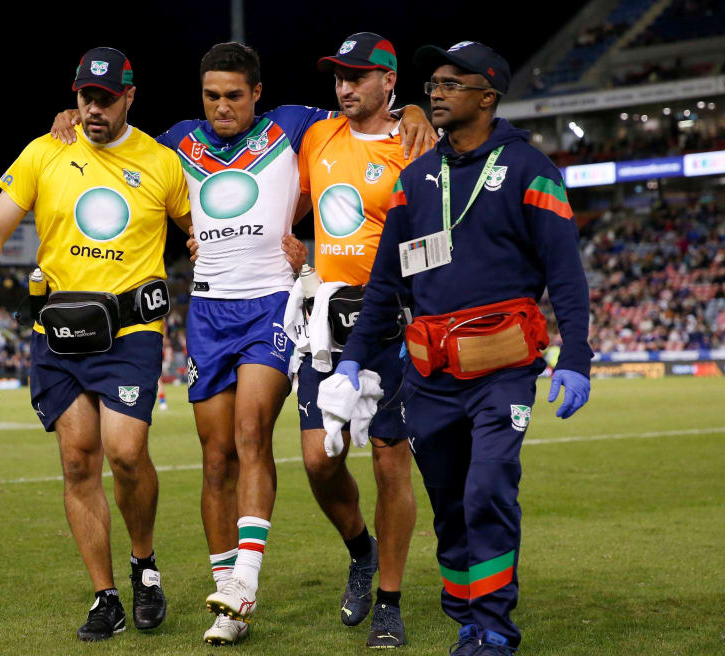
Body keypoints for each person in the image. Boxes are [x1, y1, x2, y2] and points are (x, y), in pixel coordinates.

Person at [52, 41, 432, 646]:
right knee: (215, 455)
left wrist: (414, 110)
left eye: (234, 95)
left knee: (252, 432)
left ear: (257, 93)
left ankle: (244, 586)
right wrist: (74, 119)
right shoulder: (175, 140)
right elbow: (124, 154)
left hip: (274, 306)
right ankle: (228, 597)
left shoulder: (294, 125)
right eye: (211, 96)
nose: (222, 106)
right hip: (207, 309)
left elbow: (368, 120)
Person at [328, 41, 593, 655]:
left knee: (488, 490)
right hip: (428, 377)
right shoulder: (414, 179)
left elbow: (567, 276)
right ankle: (466, 614)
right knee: (449, 505)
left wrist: (575, 359)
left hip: (502, 371)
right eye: (433, 83)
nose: (436, 91)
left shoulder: (531, 169)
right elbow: (386, 283)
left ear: (487, 96)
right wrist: (350, 362)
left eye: (452, 82)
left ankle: (495, 629)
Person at [0, 47, 191, 644]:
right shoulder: (45, 151)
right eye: (85, 96)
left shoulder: (162, 163)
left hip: (131, 331)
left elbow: (202, 232)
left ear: (130, 98)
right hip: (57, 333)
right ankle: (104, 596)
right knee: (77, 459)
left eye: (106, 99)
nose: (93, 108)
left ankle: (145, 567)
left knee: (126, 451)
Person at [285, 32, 433, 649]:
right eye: (339, 77)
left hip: (392, 326)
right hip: (324, 324)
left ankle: (391, 603)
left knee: (390, 462)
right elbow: (246, 144)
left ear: (389, 81)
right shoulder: (317, 136)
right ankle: (360, 552)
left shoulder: (417, 147)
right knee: (320, 460)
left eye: (358, 76)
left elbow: (438, 242)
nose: (345, 87)